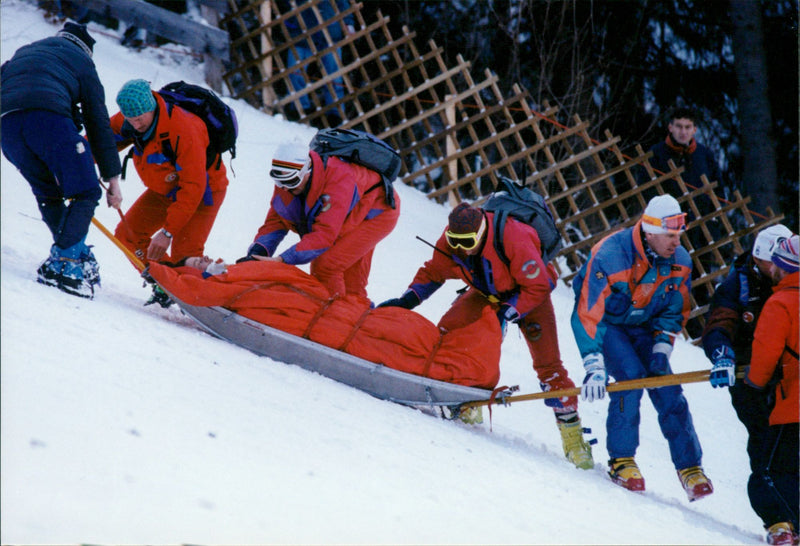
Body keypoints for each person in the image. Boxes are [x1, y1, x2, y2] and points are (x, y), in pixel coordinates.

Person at [379, 202, 594, 470]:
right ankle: (467, 400)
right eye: (453, 240)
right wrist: (408, 300)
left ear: (481, 233)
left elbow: (538, 285)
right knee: (452, 333)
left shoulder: (514, 238)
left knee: (548, 366)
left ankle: (573, 438)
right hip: (486, 292)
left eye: (466, 241)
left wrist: (507, 312)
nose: (459, 247)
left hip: (530, 296)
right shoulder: (452, 241)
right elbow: (434, 271)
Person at [570, 194, 713, 500]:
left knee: (667, 386)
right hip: (609, 325)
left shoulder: (680, 262)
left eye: (678, 236)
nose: (676, 243)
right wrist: (594, 366)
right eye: (669, 236)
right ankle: (622, 460)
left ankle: (690, 467)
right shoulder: (610, 255)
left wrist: (662, 347)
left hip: (645, 326)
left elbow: (675, 309)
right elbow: (587, 312)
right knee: (631, 378)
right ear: (649, 233)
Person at [1, 22, 122, 299]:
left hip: (6, 126)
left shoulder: (25, 52)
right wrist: (112, 179)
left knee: (48, 193)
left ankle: (73, 252)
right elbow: (98, 123)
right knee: (86, 192)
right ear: (87, 51)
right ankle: (66, 263)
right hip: (47, 120)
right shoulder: (83, 63)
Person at [242, 140, 400, 299]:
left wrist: (282, 260)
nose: (285, 188)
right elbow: (276, 221)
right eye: (279, 182)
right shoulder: (286, 179)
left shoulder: (338, 180)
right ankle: (352, 311)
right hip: (348, 208)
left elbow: (324, 235)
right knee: (350, 281)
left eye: (291, 181)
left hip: (377, 211)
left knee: (326, 266)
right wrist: (258, 252)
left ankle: (332, 314)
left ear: (307, 170)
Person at [701, 224, 793, 492]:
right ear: (758, 259)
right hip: (747, 375)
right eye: (773, 261)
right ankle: (776, 515)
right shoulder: (737, 286)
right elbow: (720, 323)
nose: (779, 267)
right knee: (763, 436)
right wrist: (722, 355)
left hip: (787, 376)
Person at [110, 79, 229, 270]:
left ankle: (203, 292)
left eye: (139, 118)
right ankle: (163, 283)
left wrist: (167, 232)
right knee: (128, 234)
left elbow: (193, 187)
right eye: (130, 120)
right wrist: (70, 161)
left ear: (152, 108)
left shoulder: (184, 129)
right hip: (164, 190)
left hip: (203, 192)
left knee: (186, 256)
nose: (135, 124)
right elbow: (99, 142)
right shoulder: (131, 117)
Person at [742, 235, 799, 546]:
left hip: (793, 405)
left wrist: (754, 383)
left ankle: (790, 527)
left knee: (772, 472)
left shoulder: (781, 303)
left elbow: (766, 352)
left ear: (785, 266)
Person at [281, 0, 354, 123]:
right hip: (302, 32)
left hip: (330, 31)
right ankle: (299, 108)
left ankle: (335, 113)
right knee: (295, 73)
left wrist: (348, 22)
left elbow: (343, 3)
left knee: (334, 76)